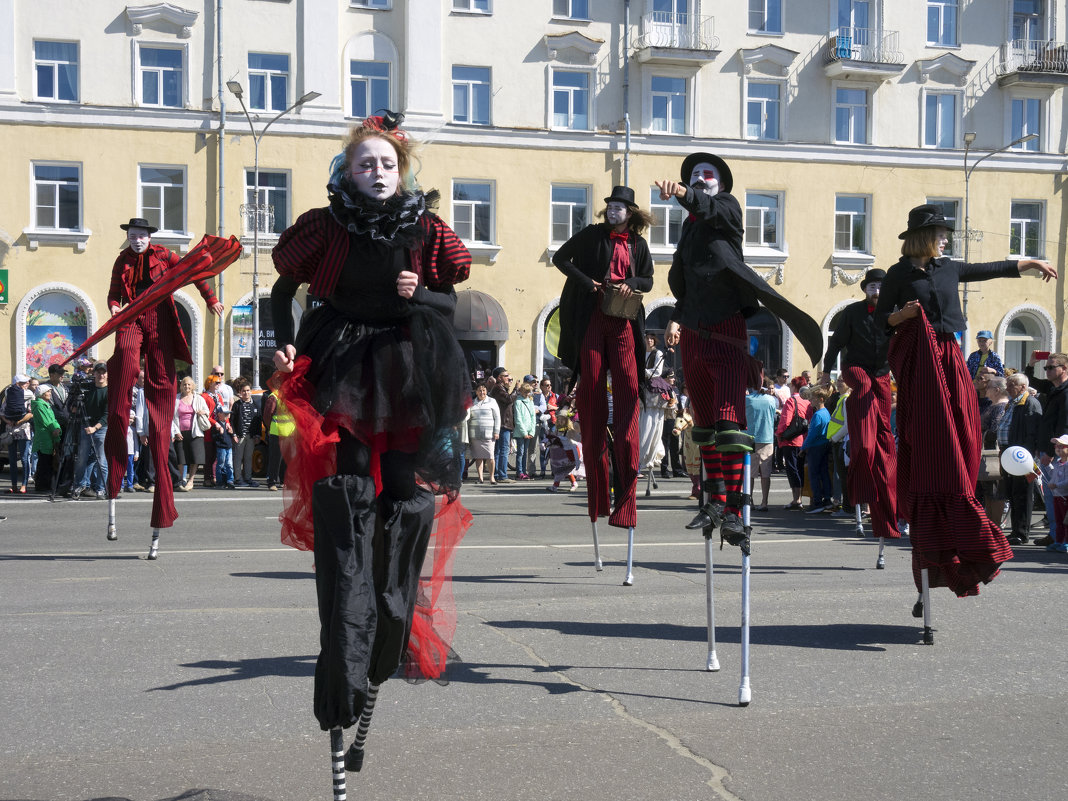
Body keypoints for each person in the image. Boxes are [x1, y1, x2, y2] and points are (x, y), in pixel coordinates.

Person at [268, 111, 472, 762]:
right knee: (348, 494)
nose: (377, 173)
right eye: (365, 164)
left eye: (387, 164)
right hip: (343, 360)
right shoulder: (326, 226)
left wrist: (422, 293)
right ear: (347, 171)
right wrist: (282, 341)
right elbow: (284, 287)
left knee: (408, 498)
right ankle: (347, 643)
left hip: (409, 367)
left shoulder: (426, 230)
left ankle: (392, 614)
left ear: (401, 170)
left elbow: (451, 302)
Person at [874, 203, 1056, 598]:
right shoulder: (899, 274)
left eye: (946, 234)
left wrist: (1030, 262)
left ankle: (961, 497)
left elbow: (991, 268)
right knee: (930, 432)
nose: (945, 238)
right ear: (923, 236)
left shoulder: (948, 268)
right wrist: (900, 316)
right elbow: (879, 321)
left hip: (949, 356)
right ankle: (931, 500)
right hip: (919, 360)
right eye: (940, 233)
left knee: (962, 429)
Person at [656, 153, 822, 544]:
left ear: (721, 183)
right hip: (695, 335)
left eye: (705, 174)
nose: (698, 179)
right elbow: (691, 283)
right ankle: (713, 501)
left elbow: (712, 209)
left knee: (730, 425)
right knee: (705, 427)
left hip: (727, 332)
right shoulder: (690, 230)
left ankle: (733, 509)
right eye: (692, 175)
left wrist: (683, 193)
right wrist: (677, 316)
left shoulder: (727, 210)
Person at [103, 217, 223, 538]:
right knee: (126, 357)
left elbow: (194, 272)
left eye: (141, 235)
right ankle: (121, 395)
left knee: (160, 380)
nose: (137, 240)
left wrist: (210, 299)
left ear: (149, 237)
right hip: (132, 315)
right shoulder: (121, 261)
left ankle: (162, 480)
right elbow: (114, 292)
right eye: (132, 235)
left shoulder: (165, 256)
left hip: (158, 314)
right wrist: (115, 306)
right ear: (127, 237)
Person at [552, 185, 654, 530]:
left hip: (623, 318)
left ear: (631, 213)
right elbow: (560, 259)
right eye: (610, 206)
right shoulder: (592, 235)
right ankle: (597, 499)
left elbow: (649, 280)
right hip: (594, 315)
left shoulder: (638, 244)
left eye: (620, 208)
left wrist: (632, 282)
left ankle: (627, 495)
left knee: (628, 388)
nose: (613, 211)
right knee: (592, 390)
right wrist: (587, 282)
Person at [821, 268, 901, 538]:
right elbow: (835, 343)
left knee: (883, 433)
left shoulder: (894, 313)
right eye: (871, 287)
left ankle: (881, 468)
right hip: (855, 368)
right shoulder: (853, 312)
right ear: (865, 290)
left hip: (880, 374)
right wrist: (825, 371)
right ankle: (862, 440)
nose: (876, 292)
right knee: (863, 387)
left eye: (880, 287)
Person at [999, 372, 1042, 545]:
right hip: (1009, 455)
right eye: (1007, 385)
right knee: (1014, 494)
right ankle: (1016, 530)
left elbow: (1032, 433)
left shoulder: (1029, 403)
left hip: (1021, 458)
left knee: (1023, 495)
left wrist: (1026, 457)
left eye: (1012, 385)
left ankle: (1022, 533)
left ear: (1023, 386)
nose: (1007, 388)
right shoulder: (1012, 403)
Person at [71, 363, 109, 499]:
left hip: (101, 428)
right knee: (81, 459)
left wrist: (95, 427)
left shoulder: (108, 391)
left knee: (101, 460)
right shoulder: (87, 389)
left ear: (107, 374)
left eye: (103, 372)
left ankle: (100, 488)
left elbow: (107, 414)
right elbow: (76, 407)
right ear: (94, 374)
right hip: (85, 427)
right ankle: (79, 485)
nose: (101, 375)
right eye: (98, 372)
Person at [775, 377, 811, 510]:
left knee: (792, 469)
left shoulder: (791, 401)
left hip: (790, 441)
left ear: (794, 387)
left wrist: (779, 434)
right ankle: (799, 498)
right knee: (800, 469)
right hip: (804, 439)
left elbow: (785, 421)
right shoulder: (807, 402)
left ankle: (796, 499)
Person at [171, 376, 209, 491]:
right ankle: (180, 480)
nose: (186, 386)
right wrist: (176, 431)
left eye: (189, 384)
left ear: (192, 386)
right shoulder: (176, 399)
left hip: (195, 432)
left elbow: (207, 411)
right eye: (184, 384)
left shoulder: (198, 398)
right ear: (181, 386)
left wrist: (203, 412)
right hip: (180, 432)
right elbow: (171, 417)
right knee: (180, 458)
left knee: (195, 457)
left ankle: (191, 480)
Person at [744, 382, 778, 512]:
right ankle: (764, 502)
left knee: (750, 473)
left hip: (750, 438)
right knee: (765, 473)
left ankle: (749, 500)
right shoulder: (771, 399)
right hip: (767, 437)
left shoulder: (747, 400)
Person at [800, 387, 833, 514]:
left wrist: (803, 448)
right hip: (825, 444)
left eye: (813, 398)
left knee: (813, 474)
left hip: (816, 447)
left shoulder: (817, 415)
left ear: (820, 399)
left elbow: (812, 434)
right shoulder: (826, 412)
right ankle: (827, 500)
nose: (811, 401)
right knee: (824, 472)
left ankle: (817, 502)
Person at [3, 374, 33, 493]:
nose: (27, 384)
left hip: (21, 428)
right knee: (12, 459)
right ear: (17, 384)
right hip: (16, 429)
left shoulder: (28, 396)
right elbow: (2, 413)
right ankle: (14, 485)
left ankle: (24, 485)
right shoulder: (9, 396)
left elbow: (31, 413)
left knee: (24, 458)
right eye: (24, 383)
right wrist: (12, 422)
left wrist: (13, 422)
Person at [466, 381, 500, 484]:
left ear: (486, 391)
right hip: (475, 434)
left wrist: (496, 431)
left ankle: (491, 477)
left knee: (490, 456)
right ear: (476, 392)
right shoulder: (472, 403)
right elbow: (468, 417)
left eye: (484, 390)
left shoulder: (492, 401)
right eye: (479, 390)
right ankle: (480, 478)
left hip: (489, 434)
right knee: (478, 457)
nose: (482, 392)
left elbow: (497, 417)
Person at [230, 377, 260, 487]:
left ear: (251, 391)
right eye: (243, 391)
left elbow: (258, 421)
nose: (246, 393)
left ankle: (248, 478)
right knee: (238, 457)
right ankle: (238, 479)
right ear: (240, 392)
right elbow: (232, 421)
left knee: (248, 457)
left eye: (248, 390)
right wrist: (233, 434)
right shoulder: (237, 405)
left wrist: (257, 435)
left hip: (251, 436)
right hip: (240, 435)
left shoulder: (255, 405)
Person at [31, 384, 62, 492]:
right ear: (42, 394)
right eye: (48, 392)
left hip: (49, 437)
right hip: (44, 439)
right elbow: (47, 422)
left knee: (48, 463)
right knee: (44, 463)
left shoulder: (45, 405)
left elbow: (53, 420)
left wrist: (57, 427)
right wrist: (56, 429)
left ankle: (47, 485)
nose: (50, 394)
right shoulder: (39, 405)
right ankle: (41, 486)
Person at [487, 368, 516, 483]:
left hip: (503, 423)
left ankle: (499, 473)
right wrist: (516, 389)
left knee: (499, 450)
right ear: (499, 378)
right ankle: (502, 475)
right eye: (506, 376)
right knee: (503, 450)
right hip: (503, 424)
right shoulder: (498, 388)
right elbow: (509, 399)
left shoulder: (500, 388)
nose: (509, 378)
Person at [1045, 435, 1068, 553]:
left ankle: (1066, 542)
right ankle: (1058, 541)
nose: (1058, 449)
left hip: (1065, 496)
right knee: (1058, 520)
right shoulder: (1058, 463)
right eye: (1056, 446)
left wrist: (1057, 485)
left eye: (1061, 446)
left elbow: (1066, 481)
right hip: (1057, 496)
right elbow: (1053, 476)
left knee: (1066, 521)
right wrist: (1047, 466)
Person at [512, 381, 537, 481]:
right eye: (525, 392)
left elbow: (533, 417)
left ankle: (524, 471)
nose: (527, 394)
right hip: (520, 432)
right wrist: (524, 433)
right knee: (520, 452)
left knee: (525, 452)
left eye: (528, 392)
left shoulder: (530, 401)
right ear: (521, 391)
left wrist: (531, 431)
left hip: (528, 431)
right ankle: (519, 472)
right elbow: (518, 419)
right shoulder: (518, 402)